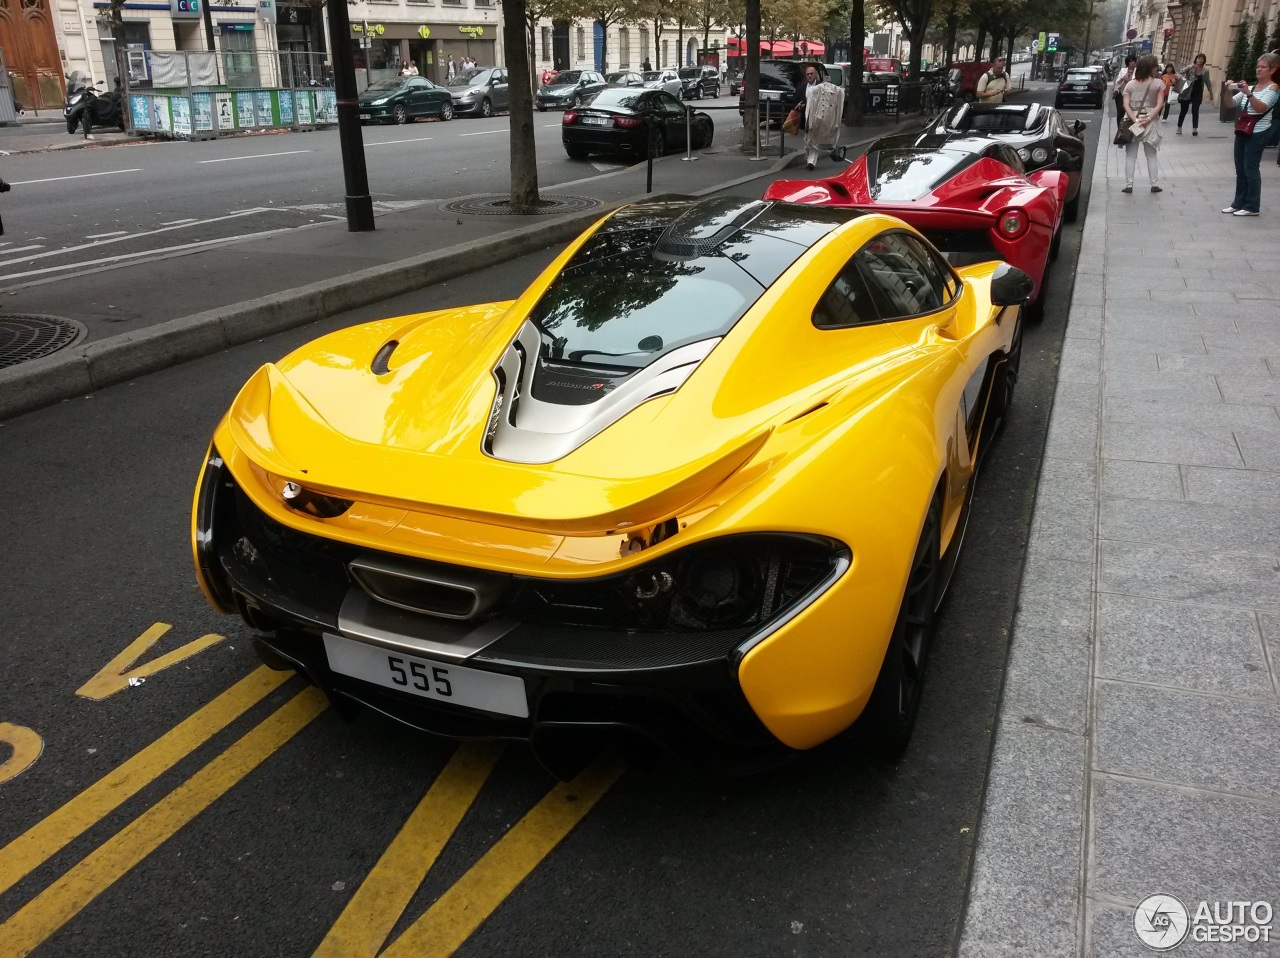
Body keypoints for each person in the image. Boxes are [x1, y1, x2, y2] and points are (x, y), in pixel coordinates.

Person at [1223, 53, 1280, 215]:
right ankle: (1238, 203)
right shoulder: (1253, 87)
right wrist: (1228, 91)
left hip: (1258, 133)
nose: (1259, 69)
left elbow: (1261, 108)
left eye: (1263, 67)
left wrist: (1248, 93)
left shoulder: (1273, 88)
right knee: (1240, 169)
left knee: (1251, 169)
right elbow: (1231, 104)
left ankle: (1252, 206)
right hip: (1243, 130)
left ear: (1273, 69)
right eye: (1258, 66)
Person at [1122, 54, 1166, 193]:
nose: (1157, 68)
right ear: (1151, 68)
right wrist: (1148, 118)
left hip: (1133, 121)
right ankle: (1154, 184)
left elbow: (1126, 105)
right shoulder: (1158, 83)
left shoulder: (1130, 84)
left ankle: (1129, 185)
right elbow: (1159, 104)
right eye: (1156, 66)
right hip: (1150, 122)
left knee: (1130, 156)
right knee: (1151, 155)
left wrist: (1135, 120)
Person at [799, 63, 843, 170]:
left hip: (818, 117)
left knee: (814, 139)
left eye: (811, 74)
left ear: (816, 75)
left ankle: (811, 162)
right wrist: (800, 104)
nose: (809, 76)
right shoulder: (802, 87)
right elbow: (796, 98)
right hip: (805, 117)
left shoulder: (822, 85)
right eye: (808, 74)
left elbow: (830, 96)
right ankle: (809, 158)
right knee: (807, 139)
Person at [1177, 53, 1213, 135]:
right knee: (1183, 110)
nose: (1200, 60)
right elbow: (1180, 72)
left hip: (1198, 93)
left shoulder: (1205, 71)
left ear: (1204, 61)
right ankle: (1179, 127)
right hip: (1187, 92)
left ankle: (1195, 129)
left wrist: (1211, 92)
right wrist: (1189, 68)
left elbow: (1208, 81)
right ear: (1196, 59)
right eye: (1198, 58)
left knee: (1195, 110)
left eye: (1202, 59)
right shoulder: (1190, 68)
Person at [1113, 55, 1137, 128]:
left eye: (1134, 61)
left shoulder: (1137, 71)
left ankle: (1129, 127)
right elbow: (1117, 83)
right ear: (1128, 62)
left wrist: (1129, 81)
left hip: (1132, 96)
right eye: (1131, 61)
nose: (1133, 63)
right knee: (1120, 112)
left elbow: (1137, 83)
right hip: (1121, 94)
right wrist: (1122, 79)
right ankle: (1120, 128)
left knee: (1130, 112)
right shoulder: (1123, 70)